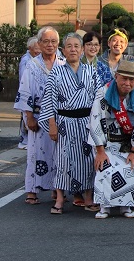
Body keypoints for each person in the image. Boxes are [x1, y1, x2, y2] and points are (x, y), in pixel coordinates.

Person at [38, 33, 102, 214]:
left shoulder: (91, 71)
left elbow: (98, 99)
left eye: (76, 46)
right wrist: (52, 123)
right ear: (63, 50)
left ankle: (88, 197)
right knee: (63, 160)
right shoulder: (56, 72)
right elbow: (49, 100)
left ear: (82, 50)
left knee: (88, 160)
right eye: (69, 46)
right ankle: (59, 198)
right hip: (65, 122)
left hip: (86, 123)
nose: (73, 49)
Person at [88, 60, 134, 219]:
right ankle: (104, 207)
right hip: (106, 143)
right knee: (105, 169)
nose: (127, 83)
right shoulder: (103, 93)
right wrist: (100, 151)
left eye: (132, 79)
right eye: (124, 78)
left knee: (131, 168)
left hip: (129, 144)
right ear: (116, 76)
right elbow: (96, 120)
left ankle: (127, 206)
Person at [15, 26, 66, 205]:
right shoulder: (32, 64)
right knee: (35, 153)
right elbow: (25, 91)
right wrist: (28, 117)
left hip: (58, 117)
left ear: (58, 44)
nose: (50, 45)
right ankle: (32, 190)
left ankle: (56, 188)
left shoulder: (63, 63)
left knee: (58, 154)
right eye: (46, 41)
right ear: (39, 43)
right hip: (37, 115)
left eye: (53, 41)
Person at [17, 37, 41, 147]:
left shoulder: (36, 59)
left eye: (39, 48)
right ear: (29, 48)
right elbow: (23, 78)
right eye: (36, 48)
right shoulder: (26, 60)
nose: (38, 50)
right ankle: (24, 141)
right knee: (27, 117)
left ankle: (26, 140)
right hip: (27, 93)